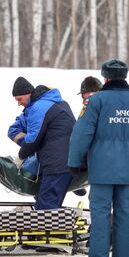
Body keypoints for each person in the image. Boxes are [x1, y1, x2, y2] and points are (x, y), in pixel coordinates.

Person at [68, 59, 129, 257]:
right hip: (128, 170)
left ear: (105, 78)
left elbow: (82, 133)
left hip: (101, 170)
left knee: (100, 214)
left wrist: (74, 162)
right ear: (124, 76)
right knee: (125, 216)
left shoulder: (97, 102)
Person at [8, 77, 76, 210]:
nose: (18, 103)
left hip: (56, 164)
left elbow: (33, 138)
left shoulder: (38, 108)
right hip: (65, 161)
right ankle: (56, 230)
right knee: (48, 206)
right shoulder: (57, 102)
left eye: (19, 99)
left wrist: (21, 156)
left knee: (45, 209)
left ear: (28, 93)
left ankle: (50, 231)